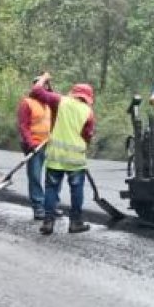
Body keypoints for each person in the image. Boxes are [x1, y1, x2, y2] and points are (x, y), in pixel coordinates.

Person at [29, 73, 95, 235]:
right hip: (76, 158)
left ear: (73, 93)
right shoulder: (88, 112)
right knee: (76, 190)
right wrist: (84, 147)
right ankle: (75, 223)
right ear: (87, 98)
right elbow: (88, 135)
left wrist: (44, 78)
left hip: (56, 156)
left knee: (51, 188)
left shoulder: (60, 101)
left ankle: (48, 223)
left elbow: (36, 91)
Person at [17, 74, 54, 220]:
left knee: (51, 178)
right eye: (42, 85)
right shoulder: (27, 103)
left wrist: (49, 85)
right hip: (34, 145)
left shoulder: (49, 103)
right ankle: (38, 207)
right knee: (35, 176)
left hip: (48, 144)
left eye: (47, 86)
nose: (45, 88)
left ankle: (50, 206)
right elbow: (23, 126)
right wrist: (30, 143)